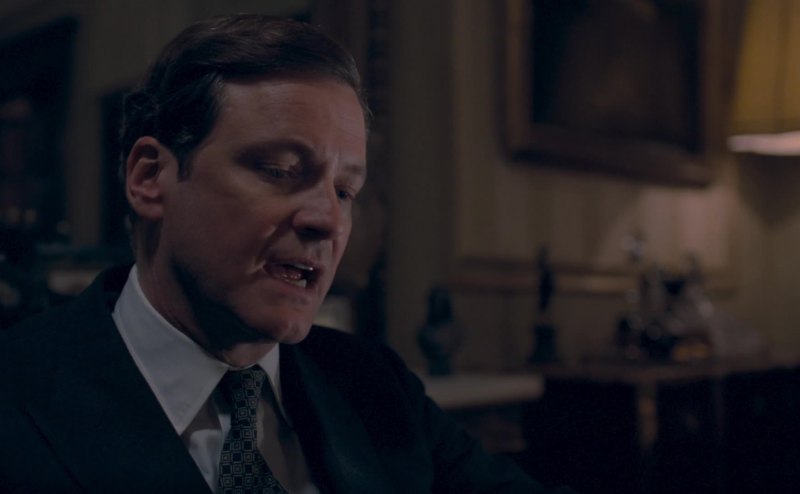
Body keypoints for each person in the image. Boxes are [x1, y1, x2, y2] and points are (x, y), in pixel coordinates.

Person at [0, 14, 572, 493]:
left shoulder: (375, 384)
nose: (328, 220)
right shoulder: (18, 393)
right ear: (150, 177)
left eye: (344, 191)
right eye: (279, 171)